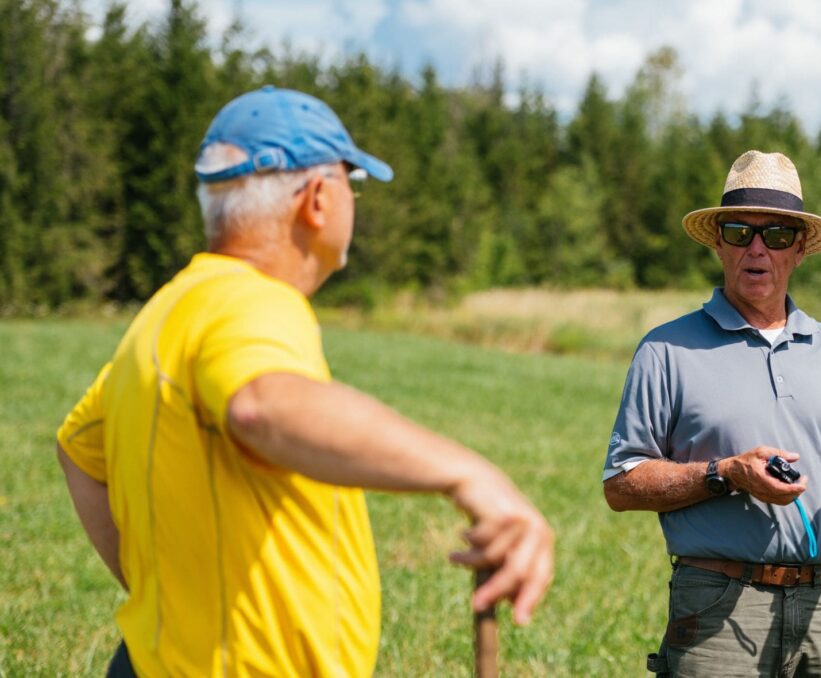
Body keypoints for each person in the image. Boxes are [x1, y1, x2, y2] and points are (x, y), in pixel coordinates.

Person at [56, 86, 554, 678]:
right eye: (354, 184)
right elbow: (263, 407)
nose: (355, 203)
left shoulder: (169, 311)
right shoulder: (249, 302)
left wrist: (163, 593)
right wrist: (469, 474)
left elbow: (79, 451)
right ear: (318, 198)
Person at [601, 150, 821, 677]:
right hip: (718, 608)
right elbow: (621, 484)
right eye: (740, 230)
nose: (756, 248)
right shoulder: (666, 350)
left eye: (775, 235)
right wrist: (726, 474)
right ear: (718, 243)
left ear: (798, 250)